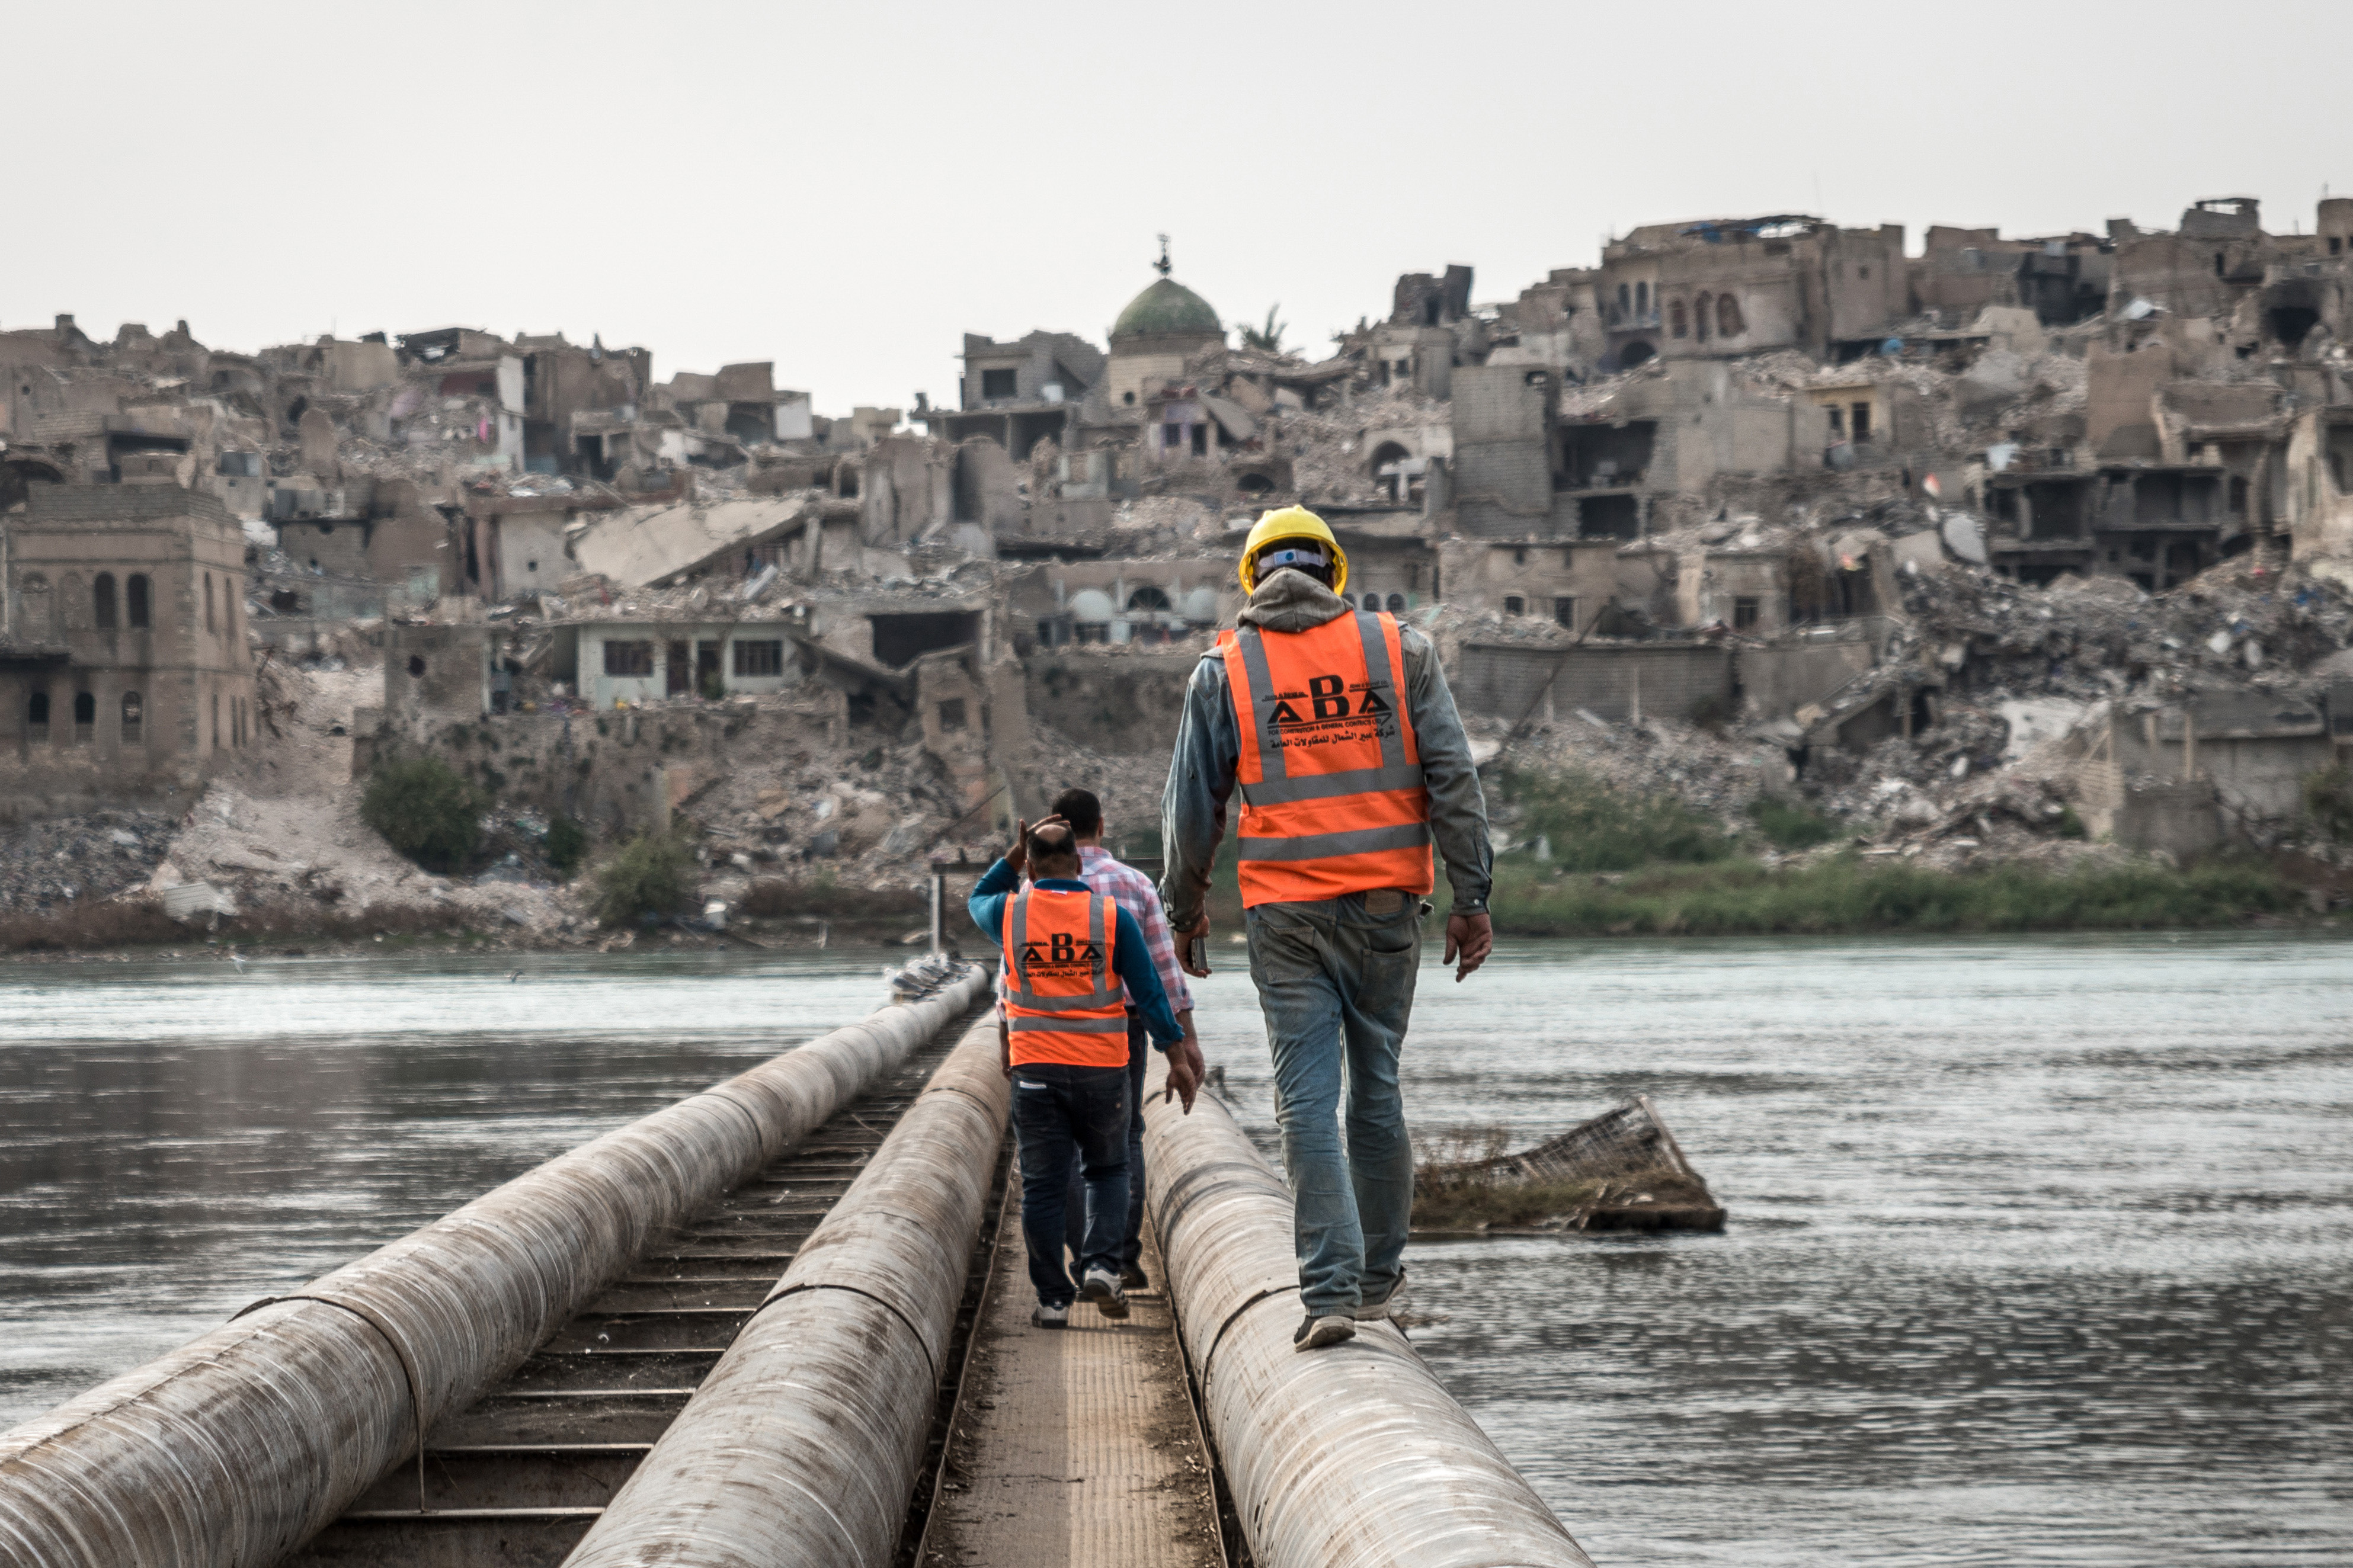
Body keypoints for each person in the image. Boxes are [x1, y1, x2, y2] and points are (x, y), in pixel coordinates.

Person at [1160, 505, 1493, 1352]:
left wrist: (1184, 907)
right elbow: (1452, 775)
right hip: (1387, 908)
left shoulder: (1223, 670)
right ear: (1333, 570)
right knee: (1375, 1086)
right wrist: (1472, 894)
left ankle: (1328, 1291)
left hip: (1285, 915)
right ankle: (1379, 1277)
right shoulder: (1399, 650)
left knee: (1305, 1100)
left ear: (1253, 577)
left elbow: (1192, 810)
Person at [970, 817, 1195, 1330]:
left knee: (1044, 1187)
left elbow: (977, 894)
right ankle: (1100, 1265)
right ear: (1079, 864)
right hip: (1103, 1069)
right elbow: (1152, 993)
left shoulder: (1009, 913)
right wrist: (1176, 1056)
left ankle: (1052, 1299)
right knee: (1108, 1169)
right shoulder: (1111, 916)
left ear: (1030, 866)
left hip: (1034, 1071)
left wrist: (1013, 853)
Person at [1036, 787, 1201, 1291]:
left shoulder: (1032, 895)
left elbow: (1013, 971)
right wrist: (1184, 1043)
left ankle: (1082, 1257)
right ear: (1101, 826)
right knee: (1122, 1139)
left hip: (1050, 1032)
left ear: (1056, 829)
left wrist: (1007, 1039)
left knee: (1061, 1149)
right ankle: (1117, 1258)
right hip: (1120, 1030)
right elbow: (1161, 971)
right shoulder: (1133, 884)